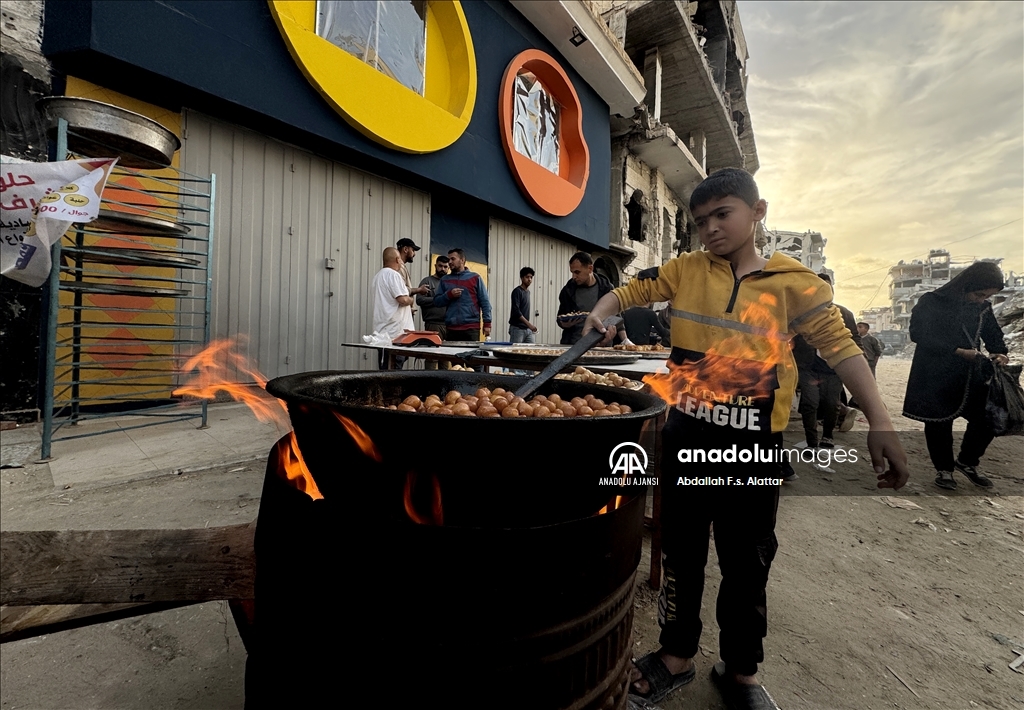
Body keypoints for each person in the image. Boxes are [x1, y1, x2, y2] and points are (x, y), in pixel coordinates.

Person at [582, 168, 908, 708]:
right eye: (700, 220)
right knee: (683, 554)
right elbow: (633, 288)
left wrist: (880, 421)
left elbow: (842, 349)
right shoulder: (685, 271)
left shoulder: (795, 283)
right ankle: (675, 655)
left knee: (748, 560)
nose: (710, 228)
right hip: (687, 436)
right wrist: (601, 309)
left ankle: (742, 671)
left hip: (752, 446)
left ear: (758, 212)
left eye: (723, 214)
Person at [902, 261, 1008, 490]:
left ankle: (967, 462)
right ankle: (944, 469)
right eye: (979, 294)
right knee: (939, 422)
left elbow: (994, 335)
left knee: (988, 418)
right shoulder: (932, 302)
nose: (981, 299)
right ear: (966, 285)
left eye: (987, 296)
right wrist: (957, 351)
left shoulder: (983, 308)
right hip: (936, 373)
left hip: (972, 375)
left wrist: (1000, 353)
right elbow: (918, 334)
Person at [792, 273, 862, 449]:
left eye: (827, 287)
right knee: (809, 403)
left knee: (831, 403)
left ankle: (828, 437)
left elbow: (855, 338)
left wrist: (858, 360)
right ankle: (811, 441)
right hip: (807, 367)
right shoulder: (799, 312)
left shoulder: (844, 313)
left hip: (833, 368)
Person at [433, 248, 491, 342]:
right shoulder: (445, 280)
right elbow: (436, 301)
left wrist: (487, 323)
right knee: (451, 356)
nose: (450, 262)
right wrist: (449, 295)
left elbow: (485, 302)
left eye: (453, 259)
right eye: (449, 259)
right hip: (451, 328)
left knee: (471, 356)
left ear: (462, 260)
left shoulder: (475, 278)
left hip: (471, 327)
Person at [372, 247, 415, 369]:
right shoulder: (394, 275)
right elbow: (402, 299)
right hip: (396, 334)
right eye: (400, 260)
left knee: (384, 368)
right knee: (394, 371)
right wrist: (411, 300)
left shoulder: (378, 276)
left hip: (382, 333)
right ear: (397, 259)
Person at [557, 252, 613, 345]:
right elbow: (560, 317)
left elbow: (617, 316)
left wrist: (625, 340)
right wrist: (565, 324)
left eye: (577, 272)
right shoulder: (568, 290)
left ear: (590, 269)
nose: (574, 276)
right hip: (573, 345)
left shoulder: (606, 288)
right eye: (572, 272)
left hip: (600, 345)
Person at [418, 255, 450, 369]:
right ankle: (430, 384)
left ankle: (446, 385)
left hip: (449, 325)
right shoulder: (428, 281)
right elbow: (419, 300)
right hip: (433, 324)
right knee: (432, 357)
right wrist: (438, 300)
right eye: (440, 266)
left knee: (446, 357)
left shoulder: (450, 282)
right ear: (435, 266)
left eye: (445, 267)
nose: (443, 269)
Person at [397, 238, 430, 311]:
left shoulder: (401, 267)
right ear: (405, 249)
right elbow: (401, 290)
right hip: (402, 313)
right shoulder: (398, 267)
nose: (414, 254)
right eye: (413, 250)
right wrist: (419, 290)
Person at [509, 267, 538, 343]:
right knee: (515, 352)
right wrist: (530, 325)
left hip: (527, 329)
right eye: (527, 277)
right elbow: (516, 311)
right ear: (522, 278)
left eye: (531, 277)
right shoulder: (517, 291)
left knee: (531, 351)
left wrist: (528, 326)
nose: (529, 279)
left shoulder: (528, 292)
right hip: (517, 328)